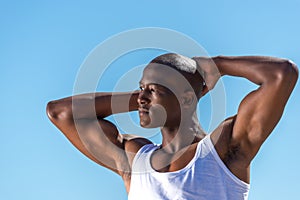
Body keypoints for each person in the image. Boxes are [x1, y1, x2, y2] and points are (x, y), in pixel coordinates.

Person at [46, 53, 298, 200]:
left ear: (186, 98)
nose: (142, 96)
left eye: (153, 90)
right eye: (141, 87)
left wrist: (216, 65)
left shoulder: (223, 150)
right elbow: (60, 113)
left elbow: (281, 75)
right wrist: (143, 98)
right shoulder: (135, 160)